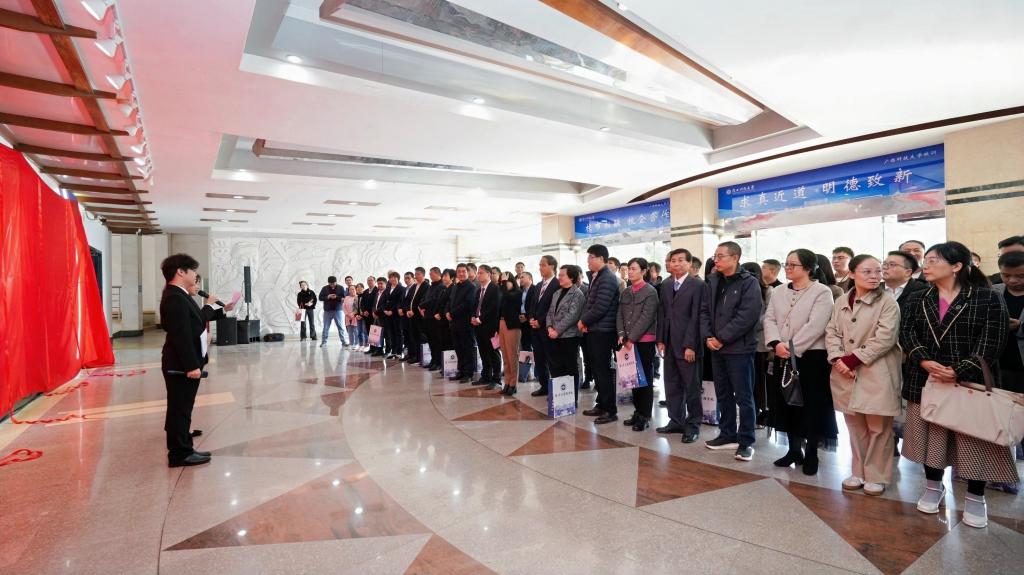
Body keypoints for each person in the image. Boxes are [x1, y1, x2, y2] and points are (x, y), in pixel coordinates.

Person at [900, 241, 1012, 529]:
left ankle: (975, 497)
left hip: (970, 383)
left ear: (956, 266)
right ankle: (933, 487)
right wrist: (924, 360)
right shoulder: (918, 297)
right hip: (926, 379)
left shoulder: (987, 297)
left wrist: (958, 370)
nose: (926, 265)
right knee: (930, 438)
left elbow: (992, 341)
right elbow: (907, 333)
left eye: (933, 260)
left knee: (974, 441)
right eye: (925, 260)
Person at [826, 254, 902, 495]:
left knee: (879, 428)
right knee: (855, 426)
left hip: (876, 372)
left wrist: (851, 360)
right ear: (852, 274)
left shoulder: (887, 302)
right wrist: (838, 358)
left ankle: (877, 476)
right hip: (845, 373)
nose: (874, 276)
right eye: (867, 271)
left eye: (878, 271)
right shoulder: (841, 300)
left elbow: (885, 338)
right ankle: (858, 471)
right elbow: (831, 331)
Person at [764, 248, 837, 475]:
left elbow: (817, 325)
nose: (787, 268)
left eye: (792, 264)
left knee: (811, 405)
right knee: (787, 402)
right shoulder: (778, 291)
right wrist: (776, 344)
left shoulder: (821, 291)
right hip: (782, 354)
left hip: (811, 357)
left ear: (808, 268)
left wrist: (792, 348)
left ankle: (812, 452)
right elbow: (769, 319)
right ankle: (794, 450)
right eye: (786, 263)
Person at [159, 253, 234, 467]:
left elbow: (196, 319)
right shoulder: (174, 297)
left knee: (182, 407)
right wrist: (191, 365)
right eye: (192, 271)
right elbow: (181, 335)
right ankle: (179, 454)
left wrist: (220, 310)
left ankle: (184, 446)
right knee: (180, 408)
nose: (195, 275)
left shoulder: (179, 295)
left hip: (182, 363)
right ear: (180, 271)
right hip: (180, 365)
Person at [701, 241, 763, 462]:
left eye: (721, 256)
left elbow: (748, 316)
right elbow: (704, 311)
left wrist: (722, 338)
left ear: (735, 258)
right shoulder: (713, 280)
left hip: (739, 349)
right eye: (715, 256)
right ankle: (727, 434)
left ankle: (746, 441)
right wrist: (708, 337)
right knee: (723, 393)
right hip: (716, 347)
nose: (716, 260)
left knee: (744, 396)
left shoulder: (749, 283)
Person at [656, 248, 705, 442]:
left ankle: (693, 425)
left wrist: (691, 345)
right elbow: (662, 313)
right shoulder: (666, 284)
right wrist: (661, 339)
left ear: (689, 263)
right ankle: (676, 420)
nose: (675, 264)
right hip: (669, 343)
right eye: (673, 260)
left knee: (691, 387)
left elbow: (697, 316)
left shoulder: (698, 285)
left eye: (680, 260)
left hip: (688, 345)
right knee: (671, 384)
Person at [579, 244, 621, 424]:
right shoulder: (598, 276)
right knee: (597, 369)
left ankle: (610, 410)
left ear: (601, 259)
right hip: (595, 329)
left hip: (603, 331)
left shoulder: (608, 278)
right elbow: (590, 303)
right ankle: (601, 404)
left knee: (603, 371)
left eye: (591, 257)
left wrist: (583, 321)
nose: (588, 260)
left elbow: (600, 307)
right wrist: (585, 321)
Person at [617, 258, 659, 431]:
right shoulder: (626, 291)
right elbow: (619, 314)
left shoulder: (650, 291)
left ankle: (645, 415)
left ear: (643, 271)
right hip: (627, 341)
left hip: (644, 341)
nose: (630, 271)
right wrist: (621, 334)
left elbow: (646, 317)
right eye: (629, 268)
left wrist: (632, 338)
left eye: (634, 269)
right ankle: (637, 412)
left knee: (645, 379)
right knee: (633, 379)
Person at [546, 264, 585, 406]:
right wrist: (549, 327)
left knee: (570, 368)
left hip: (569, 336)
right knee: (556, 367)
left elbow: (572, 316)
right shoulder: (557, 293)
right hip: (553, 335)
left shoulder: (577, 294)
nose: (559, 277)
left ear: (571, 278)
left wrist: (557, 331)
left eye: (562, 275)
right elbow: (550, 312)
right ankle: (559, 396)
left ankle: (571, 399)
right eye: (559, 275)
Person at [741, 261, 771, 427]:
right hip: (743, 342)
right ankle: (751, 414)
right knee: (748, 382)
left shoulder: (768, 290)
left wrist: (748, 324)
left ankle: (761, 414)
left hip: (760, 344)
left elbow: (768, 316)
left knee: (760, 382)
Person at [994, 251, 1024, 393]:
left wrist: (1019, 326)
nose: (1012, 280)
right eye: (1006, 275)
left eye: (1020, 276)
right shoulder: (993, 291)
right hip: (997, 363)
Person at [529, 255, 559, 397]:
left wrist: (540, 321)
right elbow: (533, 305)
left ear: (552, 266)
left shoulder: (557, 284)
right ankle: (544, 386)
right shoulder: (539, 285)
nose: (540, 268)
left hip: (548, 328)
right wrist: (531, 318)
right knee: (539, 359)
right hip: (535, 329)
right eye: (540, 265)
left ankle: (556, 389)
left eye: (543, 265)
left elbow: (553, 308)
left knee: (552, 360)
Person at [448, 264, 478, 382]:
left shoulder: (471, 287)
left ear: (467, 272)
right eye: (459, 271)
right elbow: (450, 301)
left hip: (465, 323)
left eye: (463, 271)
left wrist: (452, 313)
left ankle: (468, 373)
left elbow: (468, 304)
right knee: (458, 348)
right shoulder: (456, 286)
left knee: (467, 349)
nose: (461, 273)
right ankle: (461, 371)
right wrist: (447, 312)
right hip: (454, 323)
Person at [472, 265, 501, 387]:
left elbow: (494, 308)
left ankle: (496, 378)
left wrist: (480, 318)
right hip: (479, 326)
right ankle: (486, 376)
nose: (478, 275)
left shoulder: (495, 288)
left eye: (481, 273)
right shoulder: (479, 289)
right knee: (483, 352)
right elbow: (475, 305)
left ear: (489, 274)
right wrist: (473, 317)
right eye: (478, 273)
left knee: (493, 352)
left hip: (490, 326)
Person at [498, 276, 523, 395]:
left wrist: (503, 283)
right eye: (503, 281)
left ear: (512, 281)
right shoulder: (503, 294)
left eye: (507, 281)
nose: (505, 284)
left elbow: (509, 297)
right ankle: (507, 382)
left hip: (512, 326)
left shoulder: (518, 293)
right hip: (501, 323)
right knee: (505, 355)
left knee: (512, 355)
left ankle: (513, 384)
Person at [404, 267, 430, 364]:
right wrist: (408, 310)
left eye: (418, 274)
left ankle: (420, 357)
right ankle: (415, 356)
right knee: (413, 336)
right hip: (411, 315)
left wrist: (414, 311)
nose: (416, 276)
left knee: (420, 337)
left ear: (423, 275)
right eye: (415, 274)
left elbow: (423, 301)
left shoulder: (426, 286)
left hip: (419, 316)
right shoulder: (414, 286)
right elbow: (408, 300)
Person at [421, 267, 445, 370]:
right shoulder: (431, 286)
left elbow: (434, 300)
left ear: (437, 274)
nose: (430, 276)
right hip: (427, 317)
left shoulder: (441, 286)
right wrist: (421, 305)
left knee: (437, 341)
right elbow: (424, 297)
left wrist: (422, 305)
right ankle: (433, 360)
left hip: (434, 317)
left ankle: (438, 362)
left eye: (431, 274)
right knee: (430, 340)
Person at [382, 272, 406, 358]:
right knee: (391, 332)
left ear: (398, 278)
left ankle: (399, 352)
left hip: (396, 314)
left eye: (395, 277)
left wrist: (392, 311)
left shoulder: (402, 288)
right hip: (387, 314)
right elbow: (383, 300)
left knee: (398, 332)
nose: (393, 279)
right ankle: (393, 351)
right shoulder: (387, 289)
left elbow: (399, 301)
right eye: (391, 278)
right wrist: (384, 310)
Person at [319, 276, 347, 348]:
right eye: (330, 284)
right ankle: (324, 342)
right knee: (326, 327)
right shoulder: (324, 288)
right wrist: (328, 297)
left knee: (340, 327)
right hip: (327, 311)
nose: (332, 285)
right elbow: (320, 298)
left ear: (336, 282)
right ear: (328, 283)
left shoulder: (340, 287)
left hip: (338, 310)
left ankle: (344, 342)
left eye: (333, 283)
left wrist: (336, 297)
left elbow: (344, 298)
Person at [518, 272, 536, 354]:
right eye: (520, 278)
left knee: (534, 344)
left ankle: (534, 361)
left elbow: (535, 306)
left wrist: (526, 316)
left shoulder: (535, 289)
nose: (520, 279)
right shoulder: (521, 291)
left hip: (532, 320)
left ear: (530, 278)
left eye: (522, 277)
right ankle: (526, 361)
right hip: (522, 320)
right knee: (525, 344)